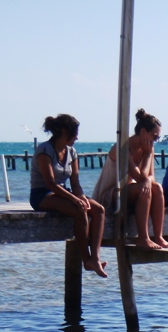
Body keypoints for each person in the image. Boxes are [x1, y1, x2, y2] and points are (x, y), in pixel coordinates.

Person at [29, 114, 107, 277]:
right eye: (75, 133)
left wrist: (82, 197)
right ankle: (86, 259)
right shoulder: (45, 151)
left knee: (98, 210)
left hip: (64, 192)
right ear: (64, 132)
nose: (77, 137)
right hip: (42, 194)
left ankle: (96, 257)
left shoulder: (72, 152)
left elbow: (75, 183)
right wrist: (74, 199)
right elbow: (50, 183)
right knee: (78, 210)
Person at [93, 109, 168, 249]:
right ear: (143, 132)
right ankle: (143, 238)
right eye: (154, 136)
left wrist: (148, 179)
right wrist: (147, 156)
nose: (156, 141)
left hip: (129, 192)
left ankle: (158, 236)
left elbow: (150, 176)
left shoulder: (148, 149)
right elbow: (139, 176)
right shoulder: (123, 148)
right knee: (144, 187)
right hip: (110, 194)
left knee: (157, 187)